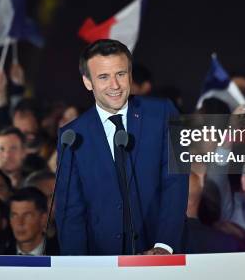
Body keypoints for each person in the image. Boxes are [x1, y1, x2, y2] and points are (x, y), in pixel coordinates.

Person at [56, 39, 188, 255]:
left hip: (159, 254)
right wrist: (76, 266)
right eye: (103, 77)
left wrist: (164, 246)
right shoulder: (72, 135)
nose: (115, 85)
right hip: (101, 261)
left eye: (121, 74)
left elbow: (176, 181)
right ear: (87, 82)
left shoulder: (164, 112)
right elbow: (71, 210)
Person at [9, 187, 58, 255]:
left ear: (43, 218)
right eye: (14, 215)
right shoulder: (0, 256)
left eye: (27, 215)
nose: (19, 223)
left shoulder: (63, 254)